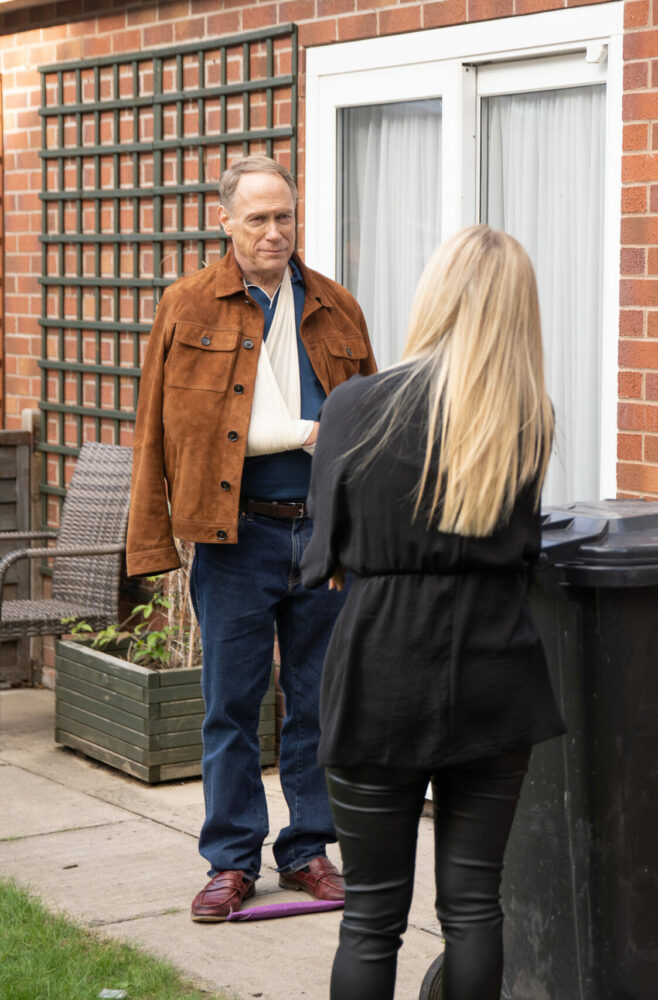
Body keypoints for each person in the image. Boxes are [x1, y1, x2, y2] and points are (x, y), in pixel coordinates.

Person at [302, 225, 565, 999]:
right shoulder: (527, 417)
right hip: (496, 670)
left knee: (371, 917)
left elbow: (325, 553)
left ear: (435, 296)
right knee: (476, 904)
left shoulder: (355, 405)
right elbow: (523, 547)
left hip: (381, 666)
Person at [127, 155, 376, 921]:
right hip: (235, 536)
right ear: (225, 220)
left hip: (322, 533)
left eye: (285, 216)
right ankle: (231, 861)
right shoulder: (189, 305)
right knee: (229, 707)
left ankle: (306, 850)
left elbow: (370, 422)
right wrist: (151, 540)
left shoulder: (334, 306)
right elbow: (153, 430)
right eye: (259, 218)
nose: (274, 232)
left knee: (317, 703)